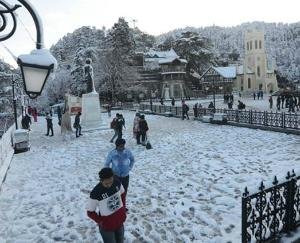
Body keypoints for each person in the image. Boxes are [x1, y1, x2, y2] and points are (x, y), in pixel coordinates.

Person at [87, 167, 126, 243]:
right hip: (107, 227)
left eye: (111, 181)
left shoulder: (117, 182)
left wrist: (123, 209)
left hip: (119, 221)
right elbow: (90, 212)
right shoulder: (95, 193)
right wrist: (101, 221)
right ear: (101, 181)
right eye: (106, 183)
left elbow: (123, 194)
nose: (109, 185)